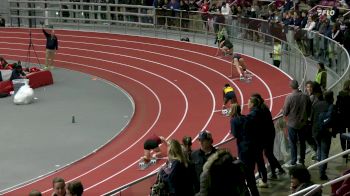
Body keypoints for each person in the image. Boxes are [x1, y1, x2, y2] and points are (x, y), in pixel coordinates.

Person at [229, 103, 260, 196]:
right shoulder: (246, 118)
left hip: (243, 150)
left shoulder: (233, 120)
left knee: (246, 175)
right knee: (250, 175)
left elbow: (234, 134)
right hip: (251, 148)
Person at [283, 79, 311, 167]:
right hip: (303, 123)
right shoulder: (305, 96)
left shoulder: (289, 97)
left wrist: (283, 111)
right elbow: (309, 109)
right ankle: (302, 160)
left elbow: (285, 112)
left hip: (292, 124)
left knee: (293, 143)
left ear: (291, 87)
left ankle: (293, 161)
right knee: (302, 142)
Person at [336, 80, 350, 158]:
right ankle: (348, 149)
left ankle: (344, 150)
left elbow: (338, 107)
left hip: (341, 118)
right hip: (349, 118)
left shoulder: (340, 95)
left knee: (342, 134)